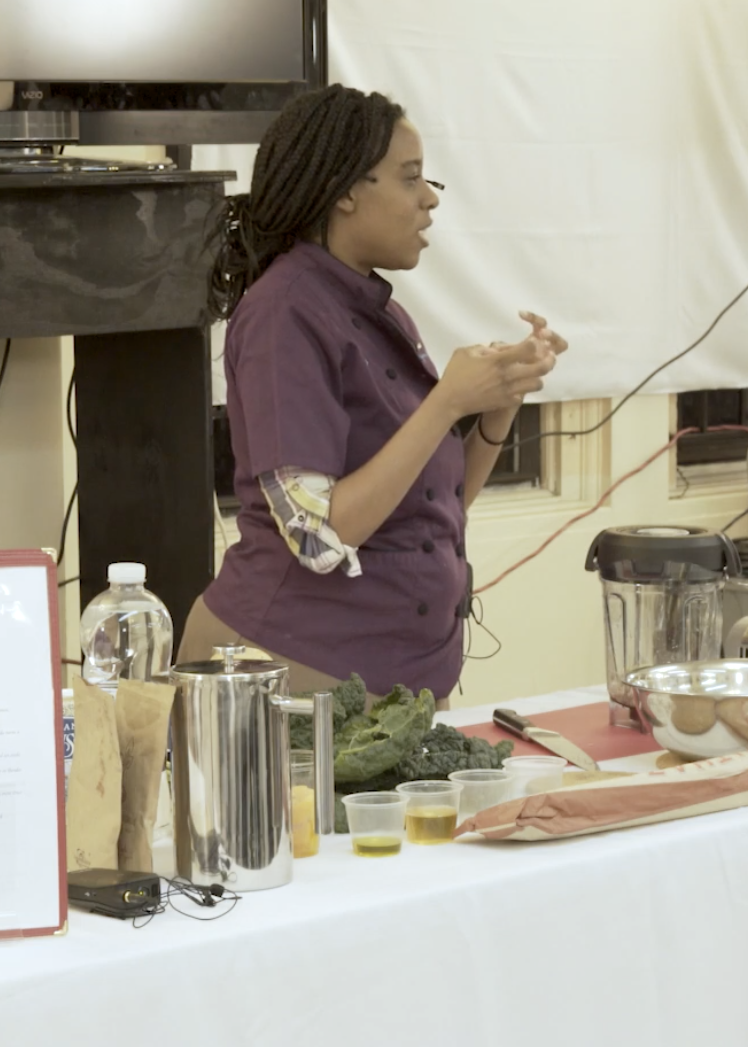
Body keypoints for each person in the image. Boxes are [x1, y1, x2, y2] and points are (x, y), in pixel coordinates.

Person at [179, 85, 567, 702]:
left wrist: (497, 406)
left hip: (395, 678)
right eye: (411, 178)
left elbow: (432, 508)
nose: (431, 199)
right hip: (294, 669)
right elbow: (316, 536)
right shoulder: (283, 313)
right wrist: (445, 402)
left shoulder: (379, 313)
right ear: (346, 191)